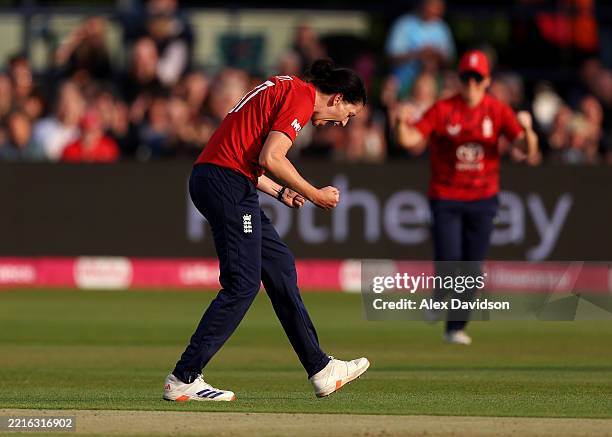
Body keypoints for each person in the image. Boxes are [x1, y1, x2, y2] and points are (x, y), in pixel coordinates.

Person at [163, 59, 370, 402]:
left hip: (222, 178)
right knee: (242, 284)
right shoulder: (301, 97)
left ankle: (320, 369)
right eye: (349, 113)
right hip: (225, 183)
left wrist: (281, 191)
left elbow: (248, 153)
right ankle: (184, 377)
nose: (344, 122)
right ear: (336, 98)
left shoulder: (286, 87)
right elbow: (273, 157)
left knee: (280, 266)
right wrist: (313, 193)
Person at [395, 50, 539, 344]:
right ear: (459, 79)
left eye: (477, 78)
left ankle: (455, 327)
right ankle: (438, 296)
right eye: (466, 78)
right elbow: (409, 140)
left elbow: (527, 149)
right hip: (446, 195)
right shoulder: (443, 109)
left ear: (486, 80)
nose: (471, 84)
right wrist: (400, 122)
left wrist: (527, 128)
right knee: (449, 258)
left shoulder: (497, 110)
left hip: (483, 197)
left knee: (472, 265)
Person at [385, 0, 455, 97]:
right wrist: (418, 54)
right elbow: (391, 57)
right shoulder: (404, 24)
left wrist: (436, 55)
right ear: (423, 4)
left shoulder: (442, 28)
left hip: (432, 84)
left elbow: (449, 60)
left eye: (440, 6)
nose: (437, 10)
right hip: (404, 83)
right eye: (433, 5)